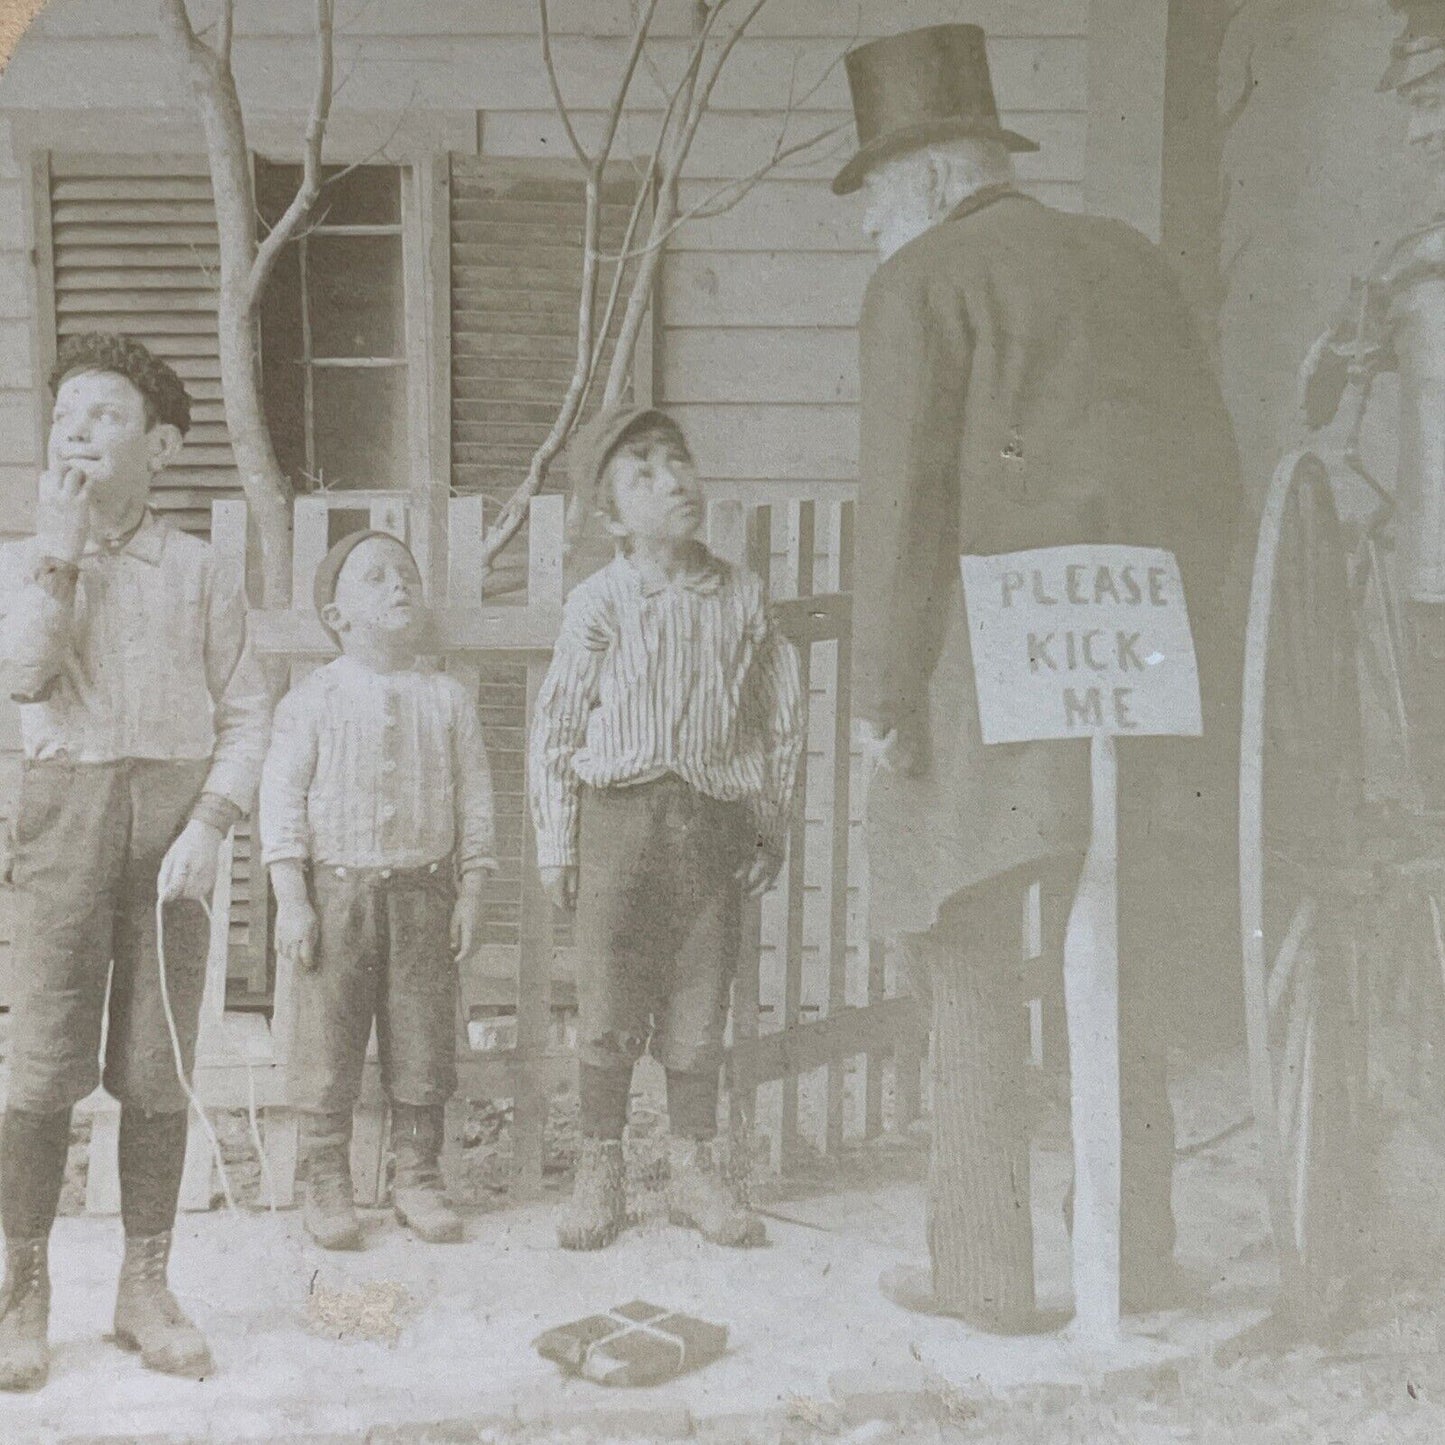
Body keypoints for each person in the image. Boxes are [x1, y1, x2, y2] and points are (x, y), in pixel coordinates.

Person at [835, 25, 1244, 1332]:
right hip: (1139, 653)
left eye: (874, 201)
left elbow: (901, 511)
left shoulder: (921, 282)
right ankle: (1130, 1260)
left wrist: (885, 700)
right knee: (1112, 947)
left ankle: (985, 1273)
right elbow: (1218, 484)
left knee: (960, 941)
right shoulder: (1135, 261)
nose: (866, 231)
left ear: (935, 182)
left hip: (984, 679)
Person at [0, 332, 271, 1387]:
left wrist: (208, 822)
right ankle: (23, 1288)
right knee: (40, 1064)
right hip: (64, 817)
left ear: (160, 445)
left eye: (106, 411)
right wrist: (57, 552)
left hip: (171, 829)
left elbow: (248, 712)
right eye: (66, 410)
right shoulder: (29, 562)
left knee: (157, 1065)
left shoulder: (200, 569)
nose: (78, 425)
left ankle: (144, 1285)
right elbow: (26, 674)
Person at [528, 405, 805, 1251]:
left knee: (698, 994)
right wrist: (556, 839)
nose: (672, 479)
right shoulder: (601, 600)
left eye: (676, 460)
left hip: (711, 825)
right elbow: (559, 725)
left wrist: (769, 820)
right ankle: (600, 1164)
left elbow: (777, 718)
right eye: (642, 472)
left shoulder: (743, 597)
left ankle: (692, 1165)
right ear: (611, 514)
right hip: (620, 822)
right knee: (609, 996)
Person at [260, 530, 496, 1251]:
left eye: (407, 575)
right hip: (337, 897)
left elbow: (477, 798)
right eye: (376, 578)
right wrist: (292, 895)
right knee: (325, 1041)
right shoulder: (314, 698)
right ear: (337, 617)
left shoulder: (446, 698)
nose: (399, 586)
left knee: (422, 1039)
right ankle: (324, 1178)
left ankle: (416, 1177)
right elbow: (281, 799)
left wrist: (474, 887)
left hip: (424, 893)